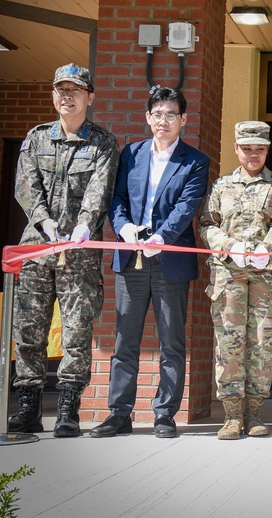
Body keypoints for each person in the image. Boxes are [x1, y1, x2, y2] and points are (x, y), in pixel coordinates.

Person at [91, 86, 209, 438]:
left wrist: (161, 238)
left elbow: (187, 207)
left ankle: (165, 414)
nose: (164, 121)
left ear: (183, 120)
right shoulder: (131, 153)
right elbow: (118, 197)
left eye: (171, 115)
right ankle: (119, 413)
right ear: (148, 118)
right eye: (158, 114)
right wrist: (124, 227)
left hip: (169, 258)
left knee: (171, 341)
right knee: (125, 339)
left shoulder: (195, 161)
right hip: (130, 257)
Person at [9, 64, 118, 437]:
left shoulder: (102, 142)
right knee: (28, 329)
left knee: (76, 330)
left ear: (90, 96)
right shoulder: (36, 138)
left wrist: (84, 223)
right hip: (37, 248)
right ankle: (28, 408)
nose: (67, 96)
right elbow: (26, 187)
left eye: (75, 89)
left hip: (79, 251)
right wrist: (43, 222)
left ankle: (68, 408)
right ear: (54, 95)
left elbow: (99, 190)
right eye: (61, 90)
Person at [199, 121, 272, 439]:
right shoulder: (221, 186)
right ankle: (231, 416)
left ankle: (253, 413)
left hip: (267, 276)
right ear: (237, 149)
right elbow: (207, 224)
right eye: (247, 148)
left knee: (260, 346)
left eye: (260, 149)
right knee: (229, 345)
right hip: (229, 275)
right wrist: (229, 246)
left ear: (267, 150)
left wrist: (268, 247)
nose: (254, 154)